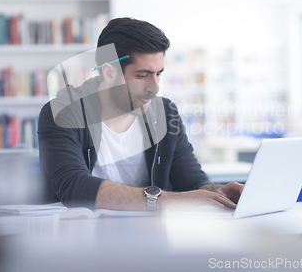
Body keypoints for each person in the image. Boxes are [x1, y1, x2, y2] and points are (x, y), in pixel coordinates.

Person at [38, 17, 243, 211]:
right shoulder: (63, 113)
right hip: (76, 238)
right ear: (109, 73)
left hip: (149, 238)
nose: (154, 88)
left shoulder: (165, 112)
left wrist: (216, 192)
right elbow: (74, 188)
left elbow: (191, 181)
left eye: (158, 74)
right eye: (142, 75)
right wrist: (168, 200)